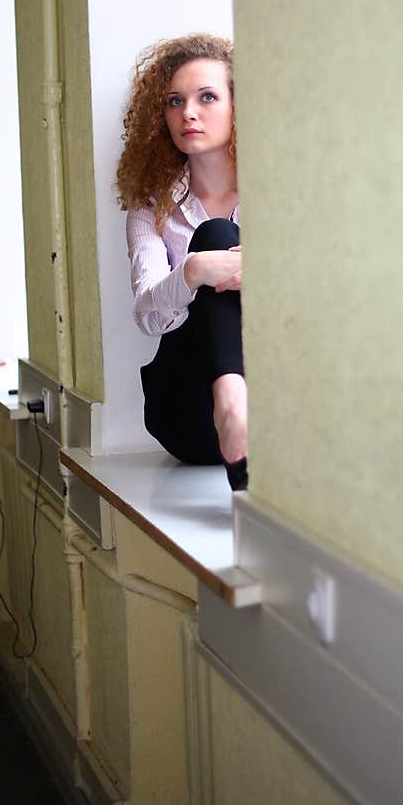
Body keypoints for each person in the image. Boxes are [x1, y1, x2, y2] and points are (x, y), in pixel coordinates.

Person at [116, 33, 248, 491]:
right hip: (186, 414)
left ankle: (236, 406)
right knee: (213, 239)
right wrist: (192, 273)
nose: (188, 112)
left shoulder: (279, 194)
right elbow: (149, 317)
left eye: (207, 97)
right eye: (175, 101)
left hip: (272, 408)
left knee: (218, 236)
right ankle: (229, 406)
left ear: (239, 104)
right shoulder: (151, 208)